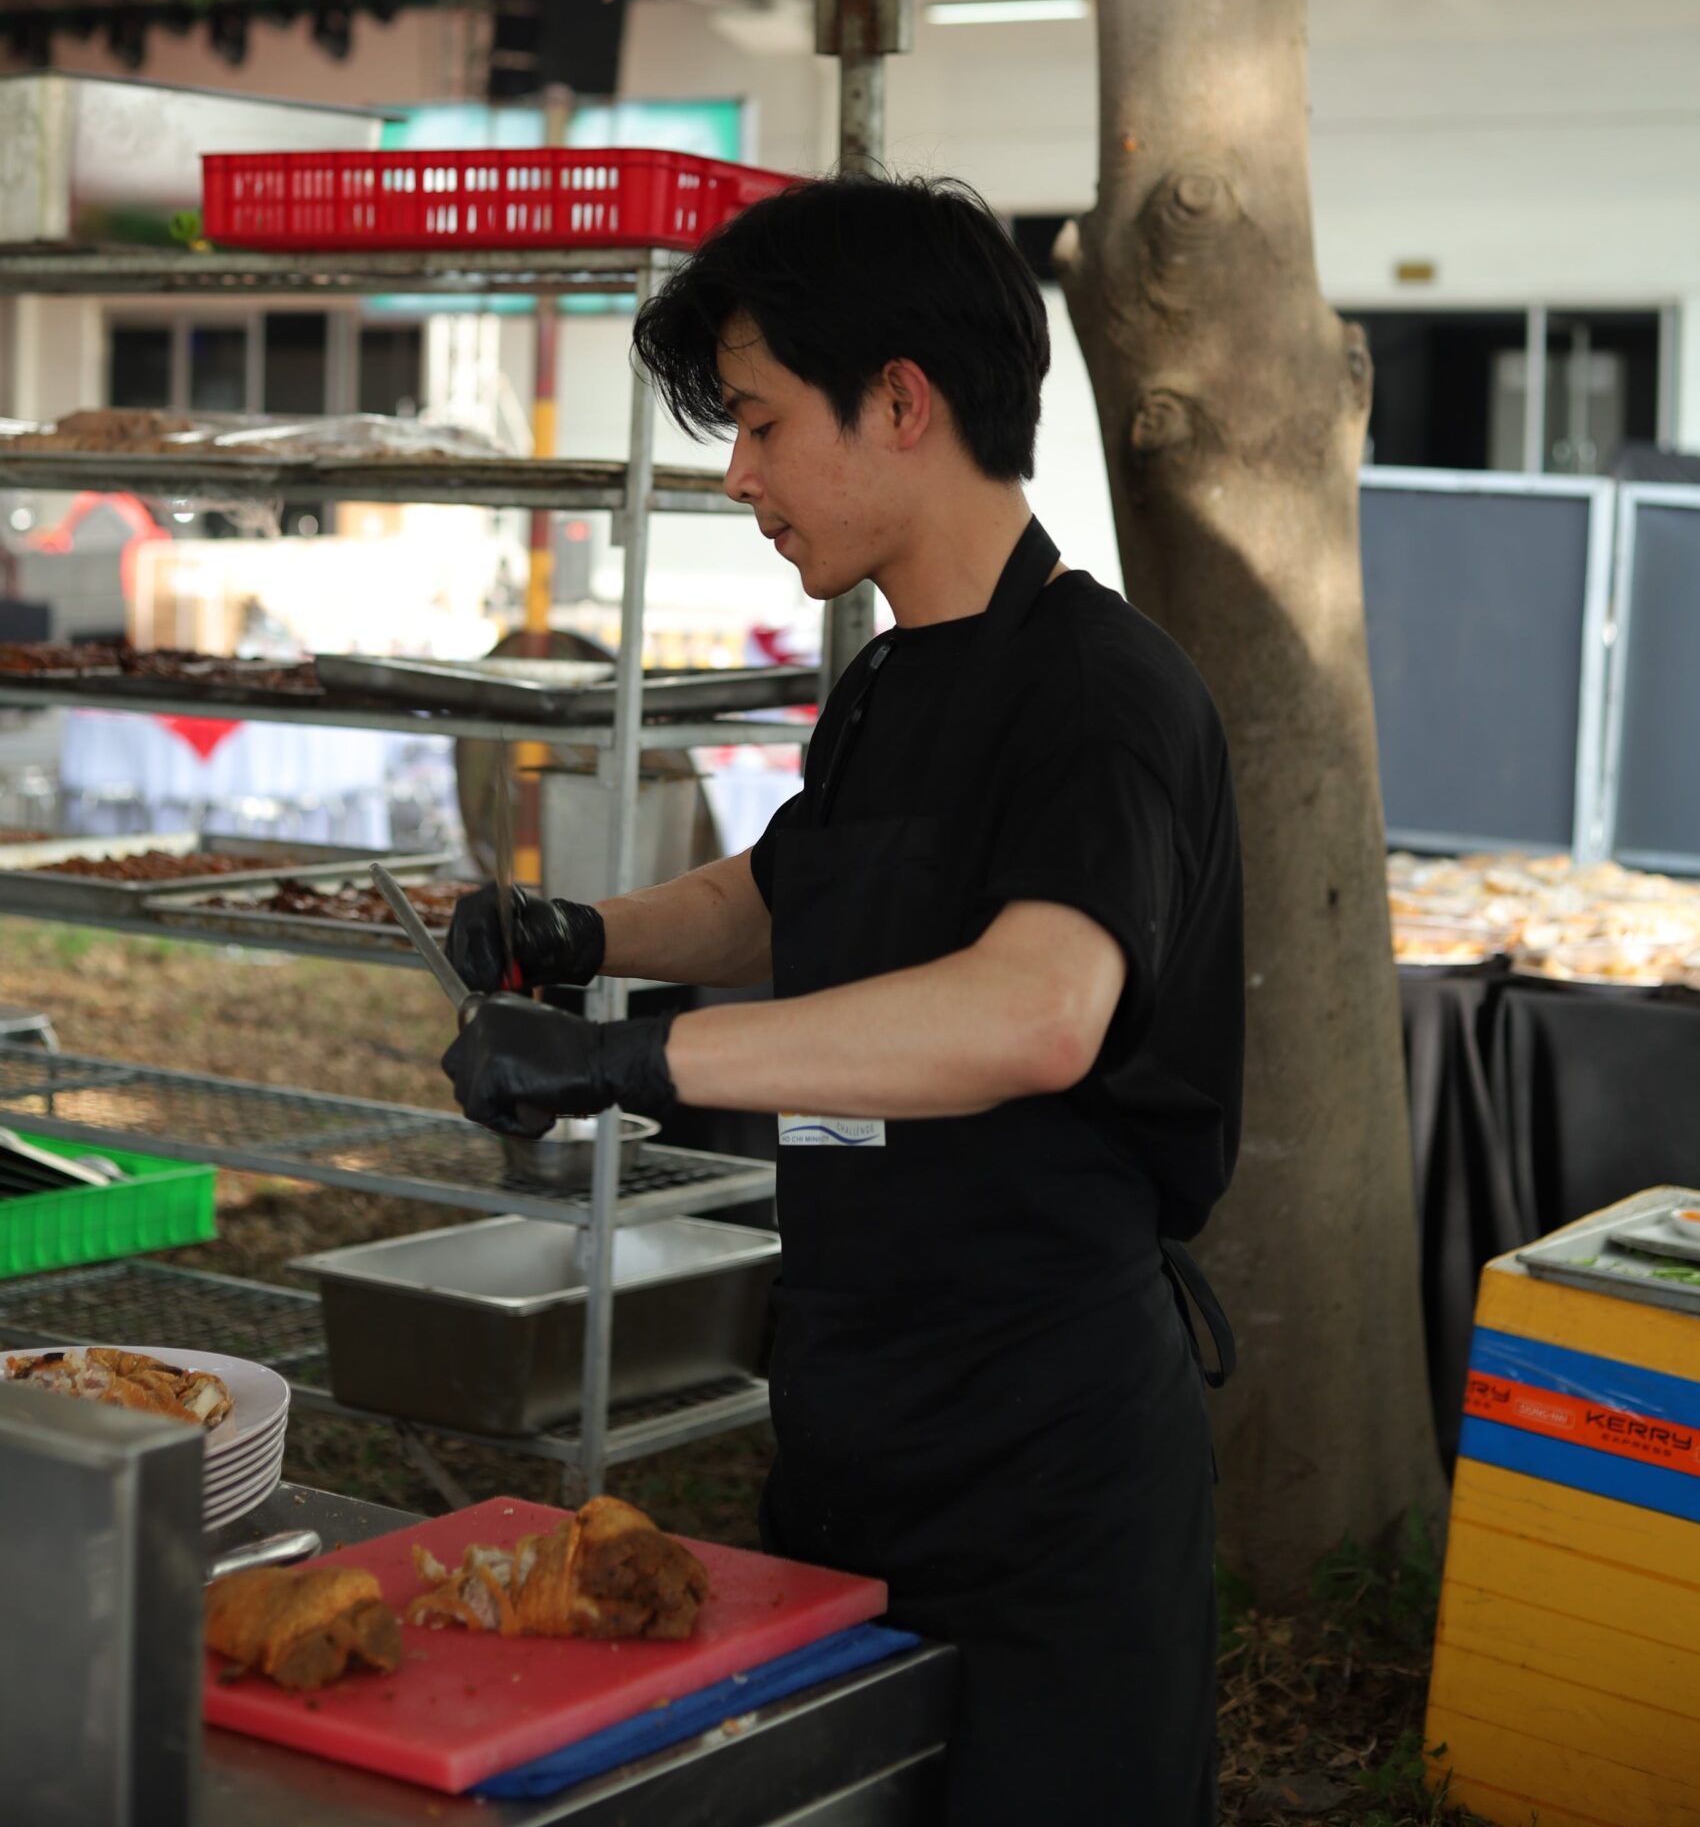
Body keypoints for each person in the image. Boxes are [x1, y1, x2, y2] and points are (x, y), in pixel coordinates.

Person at [443, 174, 1245, 1825]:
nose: (738, 475)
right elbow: (793, 891)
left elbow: (1035, 1010)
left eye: (758, 422)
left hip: (1046, 1451)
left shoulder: (1100, 692)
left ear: (900, 402)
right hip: (857, 1402)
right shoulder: (888, 678)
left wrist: (630, 1060)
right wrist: (578, 933)